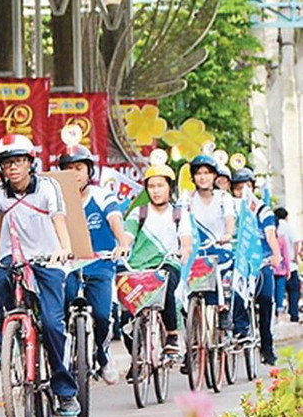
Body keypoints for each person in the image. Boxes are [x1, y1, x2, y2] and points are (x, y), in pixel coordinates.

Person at [0, 134, 80, 417]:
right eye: (6, 163)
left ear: (30, 163)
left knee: (52, 323)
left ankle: (64, 390)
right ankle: (0, 336)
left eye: (18, 161)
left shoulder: (47, 188)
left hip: (47, 259)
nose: (12, 168)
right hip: (11, 258)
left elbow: (58, 219)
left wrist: (64, 248)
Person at [58, 145, 131, 385]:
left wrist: (121, 243)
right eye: (68, 169)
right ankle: (63, 358)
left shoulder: (102, 195)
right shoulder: (57, 199)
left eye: (79, 168)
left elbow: (114, 218)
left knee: (101, 314)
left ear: (89, 171)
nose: (74, 174)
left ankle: (102, 354)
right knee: (61, 307)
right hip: (68, 266)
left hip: (100, 263)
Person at [121, 161, 192, 357]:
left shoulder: (179, 213)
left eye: (160, 185)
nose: (156, 191)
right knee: (125, 313)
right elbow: (128, 236)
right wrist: (123, 247)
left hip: (167, 263)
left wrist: (185, 250)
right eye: (151, 186)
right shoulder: (139, 212)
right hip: (139, 267)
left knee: (166, 286)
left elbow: (185, 238)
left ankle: (171, 336)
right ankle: (136, 357)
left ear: (170, 187)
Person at [230, 168, 280, 365]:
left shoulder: (262, 210)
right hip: (239, 262)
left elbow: (270, 234)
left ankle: (267, 346)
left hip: (261, 262)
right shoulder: (231, 209)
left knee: (266, 298)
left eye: (247, 187)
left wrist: (276, 255)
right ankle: (239, 330)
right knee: (232, 291)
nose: (243, 191)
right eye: (238, 188)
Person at [187, 153, 236, 329]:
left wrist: (228, 234)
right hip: (195, 251)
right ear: (193, 177)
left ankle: (223, 308)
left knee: (219, 269)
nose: (203, 177)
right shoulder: (187, 199)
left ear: (214, 175)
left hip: (219, 248)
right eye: (198, 173)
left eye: (207, 172)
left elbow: (230, 221)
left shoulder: (224, 198)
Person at [274, 207, 300, 322]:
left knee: (278, 291)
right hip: (290, 265)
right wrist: (295, 257)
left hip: (276, 266)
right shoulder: (288, 227)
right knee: (294, 290)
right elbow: (296, 241)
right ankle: (294, 314)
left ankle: (277, 313)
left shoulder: (273, 227)